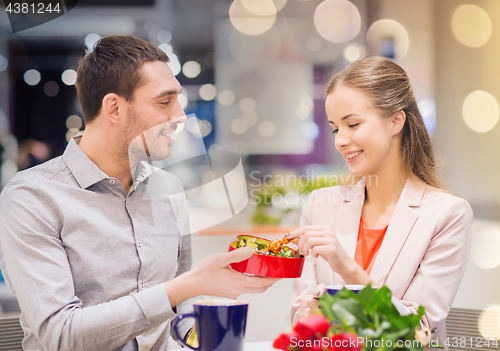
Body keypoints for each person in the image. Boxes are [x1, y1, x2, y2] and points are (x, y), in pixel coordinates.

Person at [0, 35, 277, 351]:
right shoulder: (32, 197)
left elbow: (180, 296)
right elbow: (61, 336)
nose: (180, 117)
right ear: (114, 108)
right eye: (164, 102)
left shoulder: (167, 189)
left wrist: (199, 334)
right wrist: (184, 288)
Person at [287, 56, 472, 345]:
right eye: (336, 128)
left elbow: (418, 330)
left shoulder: (447, 214)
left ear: (396, 120)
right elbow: (302, 316)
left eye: (353, 124)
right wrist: (307, 314)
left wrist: (347, 269)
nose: (340, 140)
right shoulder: (319, 205)